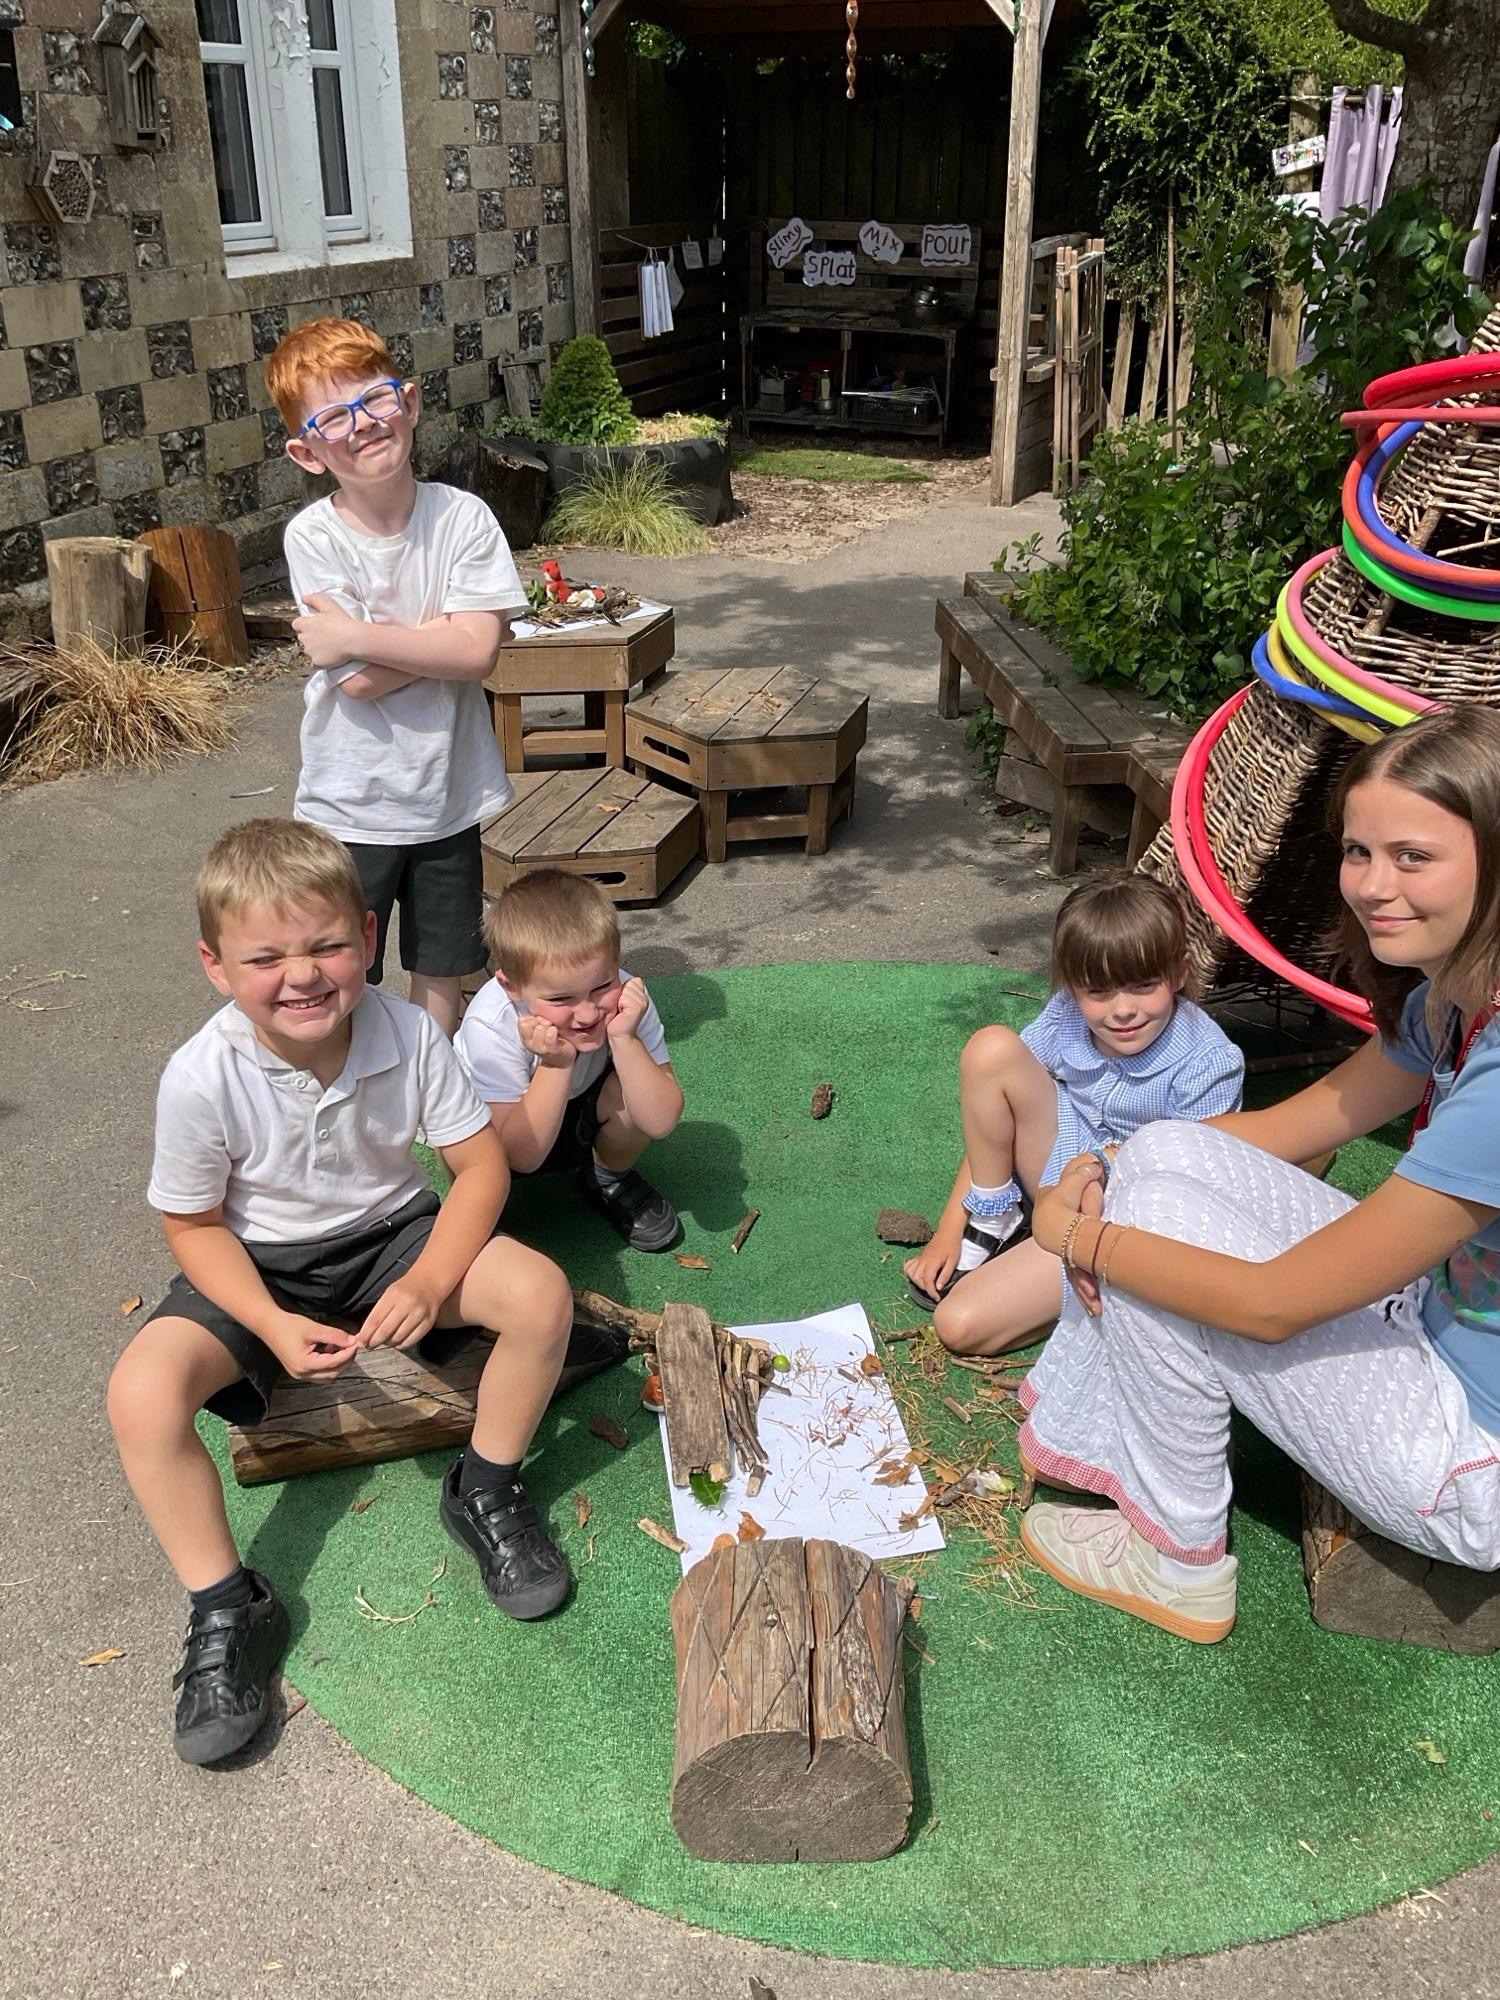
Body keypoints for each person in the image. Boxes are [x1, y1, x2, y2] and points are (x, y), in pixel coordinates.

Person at [1018, 705, 1500, 1644]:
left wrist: (1077, 1236)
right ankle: (1101, 1441)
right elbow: (1288, 1127)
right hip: (1433, 1326)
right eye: (1360, 853)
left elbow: (1271, 1305)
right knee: (1161, 1156)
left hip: (1474, 1457)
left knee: (1150, 1261)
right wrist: (1103, 1163)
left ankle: (1178, 1557)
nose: (1371, 886)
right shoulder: (1456, 994)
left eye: (1413, 857)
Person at [108, 822, 577, 1768]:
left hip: (391, 1233)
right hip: (259, 1262)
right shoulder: (201, 1077)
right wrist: (272, 1324)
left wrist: (432, 1276)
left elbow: (478, 1169)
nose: (303, 974)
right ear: (214, 965)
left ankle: (483, 1487)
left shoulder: (409, 1032)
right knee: (140, 1397)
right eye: (266, 956)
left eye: (326, 944)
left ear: (368, 938)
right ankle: (225, 1605)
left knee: (540, 1294)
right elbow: (194, 1227)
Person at [266, 317, 526, 1039]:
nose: (364, 426)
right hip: (353, 801)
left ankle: (427, 1084)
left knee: (443, 961)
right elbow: (356, 685)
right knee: (341, 959)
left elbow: (477, 654)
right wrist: (439, 639)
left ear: (408, 402)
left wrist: (354, 636)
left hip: (448, 792)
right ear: (307, 450)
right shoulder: (313, 537)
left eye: (376, 400)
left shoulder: (463, 518)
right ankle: (349, 1078)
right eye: (334, 417)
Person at [905, 873, 1244, 1355]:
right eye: (1099, 992)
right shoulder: (1067, 1014)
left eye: (1143, 985)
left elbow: (1187, 1186)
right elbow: (994, 1124)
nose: (1122, 1010)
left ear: (1179, 973)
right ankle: (997, 1217)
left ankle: (1075, 1292)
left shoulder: (1208, 1062)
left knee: (959, 1326)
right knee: (991, 1050)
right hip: (1055, 1165)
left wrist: (1082, 1207)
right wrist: (949, 1227)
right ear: (1072, 987)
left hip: (1119, 1210)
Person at [455, 870, 684, 1252]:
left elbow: (660, 1120)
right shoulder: (491, 1024)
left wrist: (624, 1038)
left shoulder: (629, 998)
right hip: (503, 1129)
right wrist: (555, 1065)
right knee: (476, 1166)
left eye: (601, 986)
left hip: (580, 1107)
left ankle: (607, 1176)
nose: (588, 1013)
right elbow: (519, 1156)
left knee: (636, 1085)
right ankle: (481, 1208)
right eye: (561, 1000)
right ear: (512, 987)